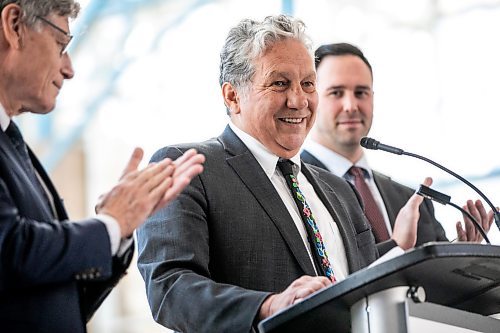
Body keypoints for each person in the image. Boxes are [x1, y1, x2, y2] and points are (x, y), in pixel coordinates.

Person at [136, 15, 433, 333]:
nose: (299, 100)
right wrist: (267, 307)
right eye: (280, 83)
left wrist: (401, 251)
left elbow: (353, 280)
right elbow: (170, 288)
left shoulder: (338, 189)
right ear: (232, 96)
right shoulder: (187, 167)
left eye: (307, 84)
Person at [0, 1, 205, 332]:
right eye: (61, 46)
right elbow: (9, 251)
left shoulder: (12, 140)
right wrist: (110, 222)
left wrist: (120, 230)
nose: (69, 68)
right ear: (14, 25)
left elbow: (59, 295)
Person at [301, 42, 493, 245]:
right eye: (336, 93)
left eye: (361, 93)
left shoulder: (412, 200)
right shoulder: (296, 188)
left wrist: (459, 257)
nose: (351, 106)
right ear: (312, 99)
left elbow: (434, 275)